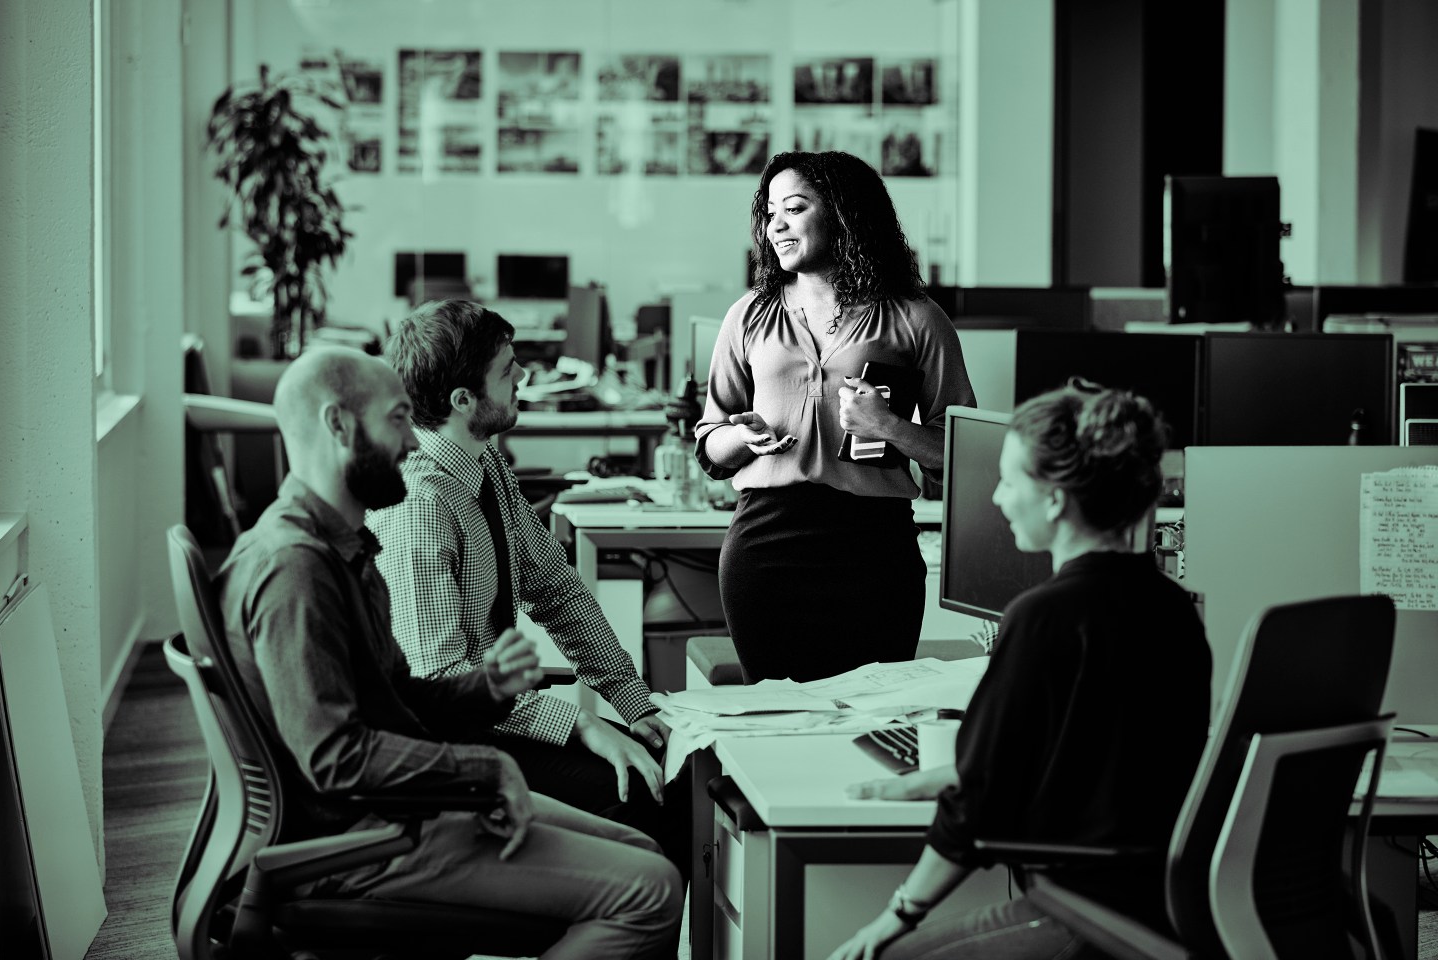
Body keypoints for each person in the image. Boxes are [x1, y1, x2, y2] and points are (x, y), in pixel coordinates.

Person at [216, 346, 682, 960]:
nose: (412, 444)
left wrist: (486, 686)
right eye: (397, 419)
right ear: (339, 425)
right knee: (653, 890)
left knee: (646, 851)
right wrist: (483, 771)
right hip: (368, 835)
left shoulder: (340, 543)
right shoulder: (295, 569)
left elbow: (394, 696)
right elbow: (334, 756)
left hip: (404, 805)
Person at [826, 382, 1211, 960]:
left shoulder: (1043, 617)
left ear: (1055, 500)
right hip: (1165, 901)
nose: (999, 498)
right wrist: (960, 770)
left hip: (1086, 910)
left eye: (1010, 481)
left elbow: (979, 806)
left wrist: (895, 918)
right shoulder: (1173, 606)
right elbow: (1101, 753)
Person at [368, 299, 688, 878]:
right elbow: (443, 678)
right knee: (645, 797)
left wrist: (632, 705)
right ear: (462, 401)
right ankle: (615, 920)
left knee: (671, 767)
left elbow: (558, 591)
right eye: (508, 370)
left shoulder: (484, 465)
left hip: (494, 716)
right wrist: (579, 723)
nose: (524, 378)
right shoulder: (421, 506)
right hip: (452, 745)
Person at [695, 150, 976, 682]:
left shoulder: (915, 317)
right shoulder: (749, 314)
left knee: (877, 717)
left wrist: (890, 428)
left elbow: (964, 456)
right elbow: (709, 448)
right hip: (765, 546)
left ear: (845, 214)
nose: (775, 224)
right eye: (770, 212)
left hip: (875, 551)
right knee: (778, 718)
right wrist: (740, 435)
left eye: (794, 208)